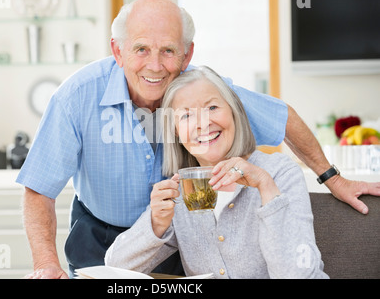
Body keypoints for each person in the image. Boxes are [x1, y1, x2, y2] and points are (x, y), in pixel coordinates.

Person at [17, 0, 379, 279]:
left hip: (175, 231)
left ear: (187, 54)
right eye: (141, 48)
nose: (156, 65)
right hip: (101, 230)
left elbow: (283, 118)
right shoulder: (77, 96)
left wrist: (332, 178)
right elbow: (39, 188)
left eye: (169, 51)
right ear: (118, 50)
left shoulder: (204, 88)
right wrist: (46, 263)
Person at [105, 66, 328, 279]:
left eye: (212, 108)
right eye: (187, 116)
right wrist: (155, 223)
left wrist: (265, 187)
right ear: (175, 131)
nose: (203, 123)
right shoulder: (181, 191)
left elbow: (297, 274)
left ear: (233, 112)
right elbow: (115, 266)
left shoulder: (279, 173)